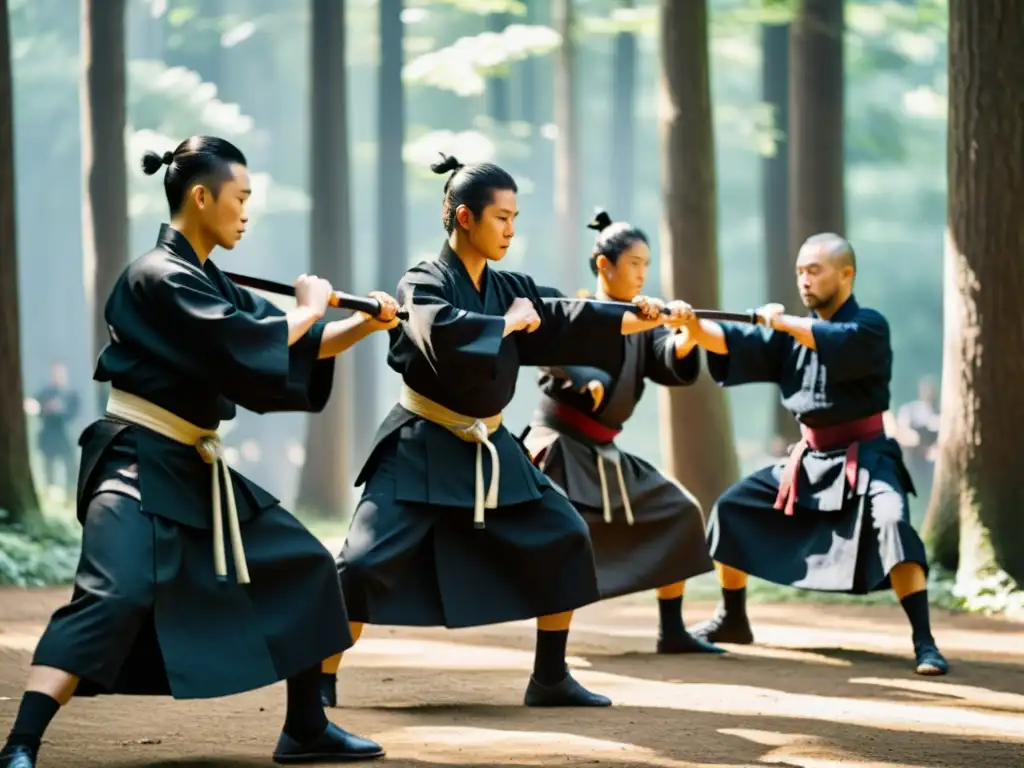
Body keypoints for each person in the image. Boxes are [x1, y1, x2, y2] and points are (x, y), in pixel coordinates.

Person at [0, 136, 399, 768]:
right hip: (135, 460)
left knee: (305, 563)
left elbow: (286, 346)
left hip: (194, 463)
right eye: (240, 198)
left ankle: (305, 727)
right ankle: (21, 742)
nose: (246, 212)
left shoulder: (208, 278)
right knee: (115, 593)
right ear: (201, 195)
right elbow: (245, 339)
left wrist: (360, 325)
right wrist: (307, 310)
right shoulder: (155, 276)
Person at [320, 156, 685, 710]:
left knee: (564, 535)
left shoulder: (509, 285)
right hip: (422, 441)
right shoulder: (421, 281)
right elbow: (440, 334)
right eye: (502, 218)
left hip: (490, 446)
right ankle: (320, 681)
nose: (512, 230)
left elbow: (567, 319)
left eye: (516, 218)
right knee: (362, 564)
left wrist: (640, 317)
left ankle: (550, 677)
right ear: (465, 217)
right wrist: (510, 323)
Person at [683, 232, 948, 676]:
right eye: (800, 271)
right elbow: (731, 341)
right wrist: (688, 324)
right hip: (808, 460)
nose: (804, 280)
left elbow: (830, 341)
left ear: (846, 274)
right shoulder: (789, 335)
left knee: (893, 522)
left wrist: (782, 322)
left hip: (867, 457)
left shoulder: (869, 326)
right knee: (731, 508)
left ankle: (925, 641)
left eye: (815, 270)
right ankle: (733, 617)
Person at [521, 210, 722, 655]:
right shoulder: (579, 311)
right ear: (604, 265)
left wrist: (686, 335)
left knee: (680, 511)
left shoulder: (644, 321)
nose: (641, 274)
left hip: (604, 450)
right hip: (559, 448)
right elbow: (544, 347)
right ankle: (550, 656)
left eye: (646, 265)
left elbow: (666, 359)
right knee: (558, 540)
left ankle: (672, 630)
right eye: (634, 264)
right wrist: (582, 374)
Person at [33, 362, 80, 496]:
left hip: (63, 434)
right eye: (55, 373)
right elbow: (36, 409)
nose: (58, 376)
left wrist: (60, 410)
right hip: (47, 435)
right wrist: (45, 409)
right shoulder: (44, 393)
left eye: (61, 373)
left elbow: (72, 414)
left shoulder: (71, 394)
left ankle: (71, 491)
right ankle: (50, 491)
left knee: (70, 463)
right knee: (49, 466)